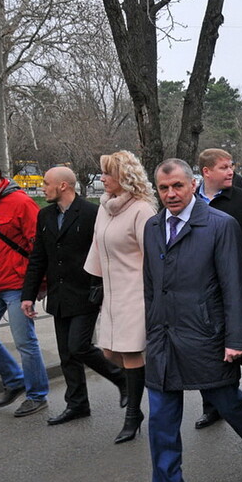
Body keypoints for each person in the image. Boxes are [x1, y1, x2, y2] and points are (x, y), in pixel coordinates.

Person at [138, 159, 242, 482]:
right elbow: (151, 286)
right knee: (162, 421)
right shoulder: (153, 227)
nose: (170, 194)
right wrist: (151, 330)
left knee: (228, 403)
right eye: (164, 188)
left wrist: (236, 339)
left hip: (206, 336)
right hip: (163, 338)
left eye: (177, 186)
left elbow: (234, 287)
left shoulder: (220, 225)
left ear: (193, 184)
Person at [21, 167, 127, 425]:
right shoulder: (45, 215)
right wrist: (28, 294)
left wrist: (102, 287)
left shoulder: (92, 213)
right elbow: (38, 258)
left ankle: (123, 378)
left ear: (64, 186)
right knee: (66, 354)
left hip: (86, 294)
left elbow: (106, 251)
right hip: (59, 296)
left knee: (78, 346)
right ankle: (77, 404)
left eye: (47, 183)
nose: (43, 188)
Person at [191, 149, 242, 430]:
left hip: (236, 281)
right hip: (201, 286)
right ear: (206, 172)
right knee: (208, 347)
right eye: (224, 167)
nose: (230, 172)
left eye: (231, 166)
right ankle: (211, 406)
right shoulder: (191, 201)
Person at [84, 150, 158, 443]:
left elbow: (153, 256)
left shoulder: (142, 210)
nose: (101, 179)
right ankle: (150, 382)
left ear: (124, 177)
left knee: (129, 352)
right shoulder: (105, 207)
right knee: (109, 353)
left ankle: (133, 414)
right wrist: (95, 280)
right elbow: (97, 244)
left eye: (107, 174)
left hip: (135, 292)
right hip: (112, 293)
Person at [0, 160, 50, 417]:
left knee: (25, 342)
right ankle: (14, 380)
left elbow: (40, 247)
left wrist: (40, 285)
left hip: (17, 285)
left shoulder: (21, 202)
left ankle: (37, 395)